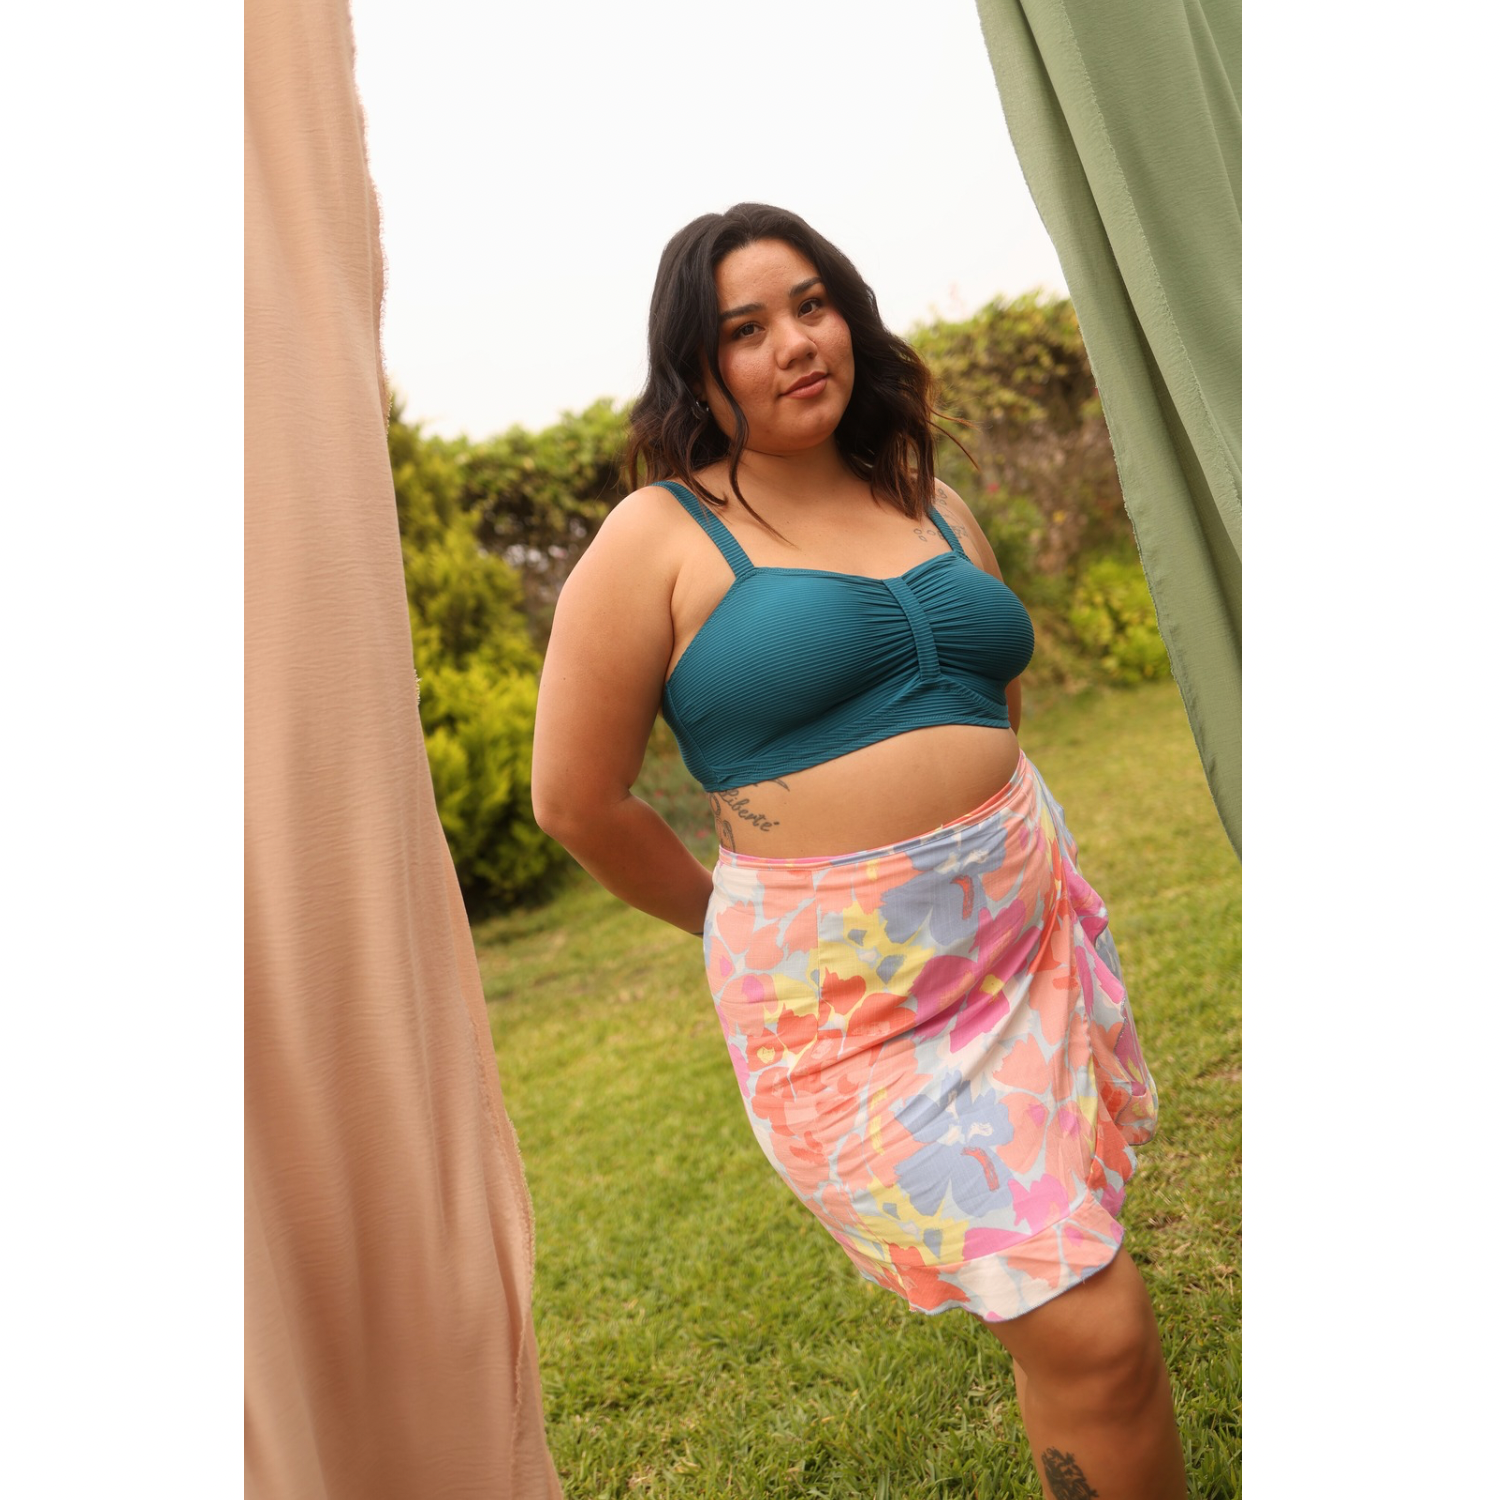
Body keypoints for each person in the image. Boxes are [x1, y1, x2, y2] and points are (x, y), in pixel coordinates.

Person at [532, 202, 1186, 1499]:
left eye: (812, 304)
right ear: (696, 367)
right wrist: (741, 918)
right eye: (746, 329)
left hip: (1021, 958)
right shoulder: (660, 537)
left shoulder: (932, 506)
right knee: (1092, 1322)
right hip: (847, 1016)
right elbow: (577, 801)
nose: (794, 343)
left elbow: (993, 707)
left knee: (1068, 1307)